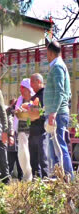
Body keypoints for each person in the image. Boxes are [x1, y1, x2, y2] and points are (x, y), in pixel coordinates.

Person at [43, 41, 74, 179]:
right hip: (57, 113)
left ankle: (68, 177)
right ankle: (58, 176)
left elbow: (61, 92)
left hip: (57, 114)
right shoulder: (60, 66)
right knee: (55, 148)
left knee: (59, 147)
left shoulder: (57, 67)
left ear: (50, 53)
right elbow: (67, 93)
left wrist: (53, 112)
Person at [14, 78, 35, 182]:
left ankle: (34, 175)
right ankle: (26, 175)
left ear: (28, 89)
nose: (21, 90)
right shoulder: (20, 99)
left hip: (33, 130)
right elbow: (16, 115)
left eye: (23, 88)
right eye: (21, 88)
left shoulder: (34, 99)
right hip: (22, 131)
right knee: (22, 153)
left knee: (33, 153)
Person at [28, 73, 49, 178]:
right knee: (33, 160)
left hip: (42, 131)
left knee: (43, 158)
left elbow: (47, 113)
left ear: (39, 82)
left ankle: (45, 179)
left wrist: (38, 115)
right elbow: (29, 113)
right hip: (32, 131)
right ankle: (36, 182)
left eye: (32, 82)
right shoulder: (33, 97)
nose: (30, 85)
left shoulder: (46, 95)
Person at [0, 106, 14, 183]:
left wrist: (10, 136)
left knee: (3, 161)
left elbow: (10, 122)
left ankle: (6, 180)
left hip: (1, 138)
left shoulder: (5, 108)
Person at [6, 99, 23, 180]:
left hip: (18, 145)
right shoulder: (9, 114)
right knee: (10, 165)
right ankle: (9, 178)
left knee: (20, 165)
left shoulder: (21, 114)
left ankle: (20, 178)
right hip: (12, 146)